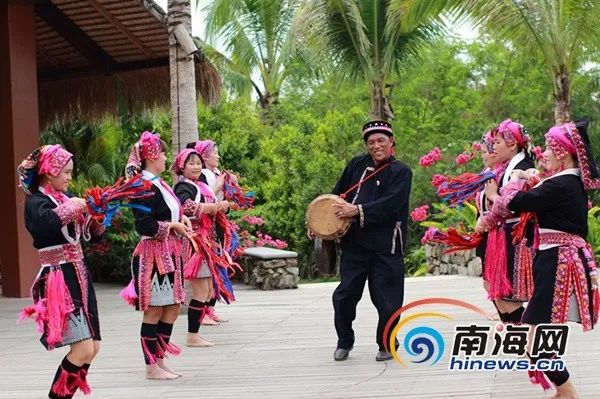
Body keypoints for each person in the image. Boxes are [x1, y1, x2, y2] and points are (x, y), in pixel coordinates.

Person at [481, 119, 599, 399]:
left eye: (548, 148)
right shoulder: (563, 183)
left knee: (533, 336)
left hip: (558, 261)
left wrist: (502, 189)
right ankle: (563, 390)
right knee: (535, 332)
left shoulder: (561, 185)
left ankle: (567, 392)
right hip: (554, 260)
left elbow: (513, 203)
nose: (542, 153)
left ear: (562, 153)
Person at [313, 120, 412, 362]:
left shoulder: (401, 172)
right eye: (371, 142)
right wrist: (319, 223)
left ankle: (387, 343)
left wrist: (355, 211)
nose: (376, 145)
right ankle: (344, 340)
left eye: (381, 141)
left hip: (385, 245)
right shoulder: (356, 165)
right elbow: (336, 195)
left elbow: (391, 206)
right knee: (345, 296)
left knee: (387, 299)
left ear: (392, 142)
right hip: (354, 244)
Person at [17, 145, 103, 399]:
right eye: (65, 172)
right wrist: (75, 207)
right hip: (59, 277)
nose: (69, 177)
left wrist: (96, 215)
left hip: (80, 274)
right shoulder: (36, 202)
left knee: (93, 347)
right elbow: (44, 226)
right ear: (49, 171)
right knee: (83, 348)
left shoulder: (65, 199)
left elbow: (93, 237)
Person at [122, 131, 191, 379]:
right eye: (162, 153)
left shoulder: (159, 184)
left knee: (171, 308)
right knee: (154, 310)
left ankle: (160, 360)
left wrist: (179, 218)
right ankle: (151, 366)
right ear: (151, 156)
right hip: (153, 254)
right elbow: (144, 225)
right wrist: (171, 227)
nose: (165, 158)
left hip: (171, 252)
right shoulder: (141, 187)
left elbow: (170, 212)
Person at [480, 119, 536, 323]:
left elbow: (509, 204)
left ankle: (523, 338)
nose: (492, 147)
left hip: (518, 235)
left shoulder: (521, 169)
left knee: (509, 294)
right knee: (500, 291)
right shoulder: (507, 168)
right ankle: (517, 336)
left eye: (497, 143)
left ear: (512, 145)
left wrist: (492, 201)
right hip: (506, 234)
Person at [172, 148, 229, 347]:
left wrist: (222, 206)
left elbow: (212, 202)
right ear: (182, 166)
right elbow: (184, 207)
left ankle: (195, 332)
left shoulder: (201, 185)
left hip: (208, 241)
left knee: (206, 289)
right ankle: (192, 335)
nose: (196, 167)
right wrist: (209, 208)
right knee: (200, 290)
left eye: (198, 163)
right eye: (191, 163)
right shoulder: (183, 187)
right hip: (194, 242)